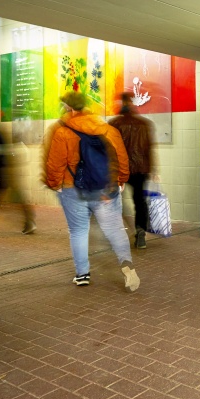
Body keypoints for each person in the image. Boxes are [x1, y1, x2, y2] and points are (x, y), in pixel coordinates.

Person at [44, 91, 139, 291]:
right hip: (105, 188)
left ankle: (82, 274)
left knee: (78, 231)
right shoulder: (106, 129)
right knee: (114, 229)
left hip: (73, 189)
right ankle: (127, 265)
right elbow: (121, 157)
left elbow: (55, 163)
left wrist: (55, 184)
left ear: (68, 107)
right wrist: (121, 179)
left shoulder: (61, 130)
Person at [108, 92, 158, 248]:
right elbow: (150, 148)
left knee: (114, 202)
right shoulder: (145, 124)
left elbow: (109, 149)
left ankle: (118, 235)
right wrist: (153, 169)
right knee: (139, 201)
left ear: (121, 103)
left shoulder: (114, 124)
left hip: (120, 170)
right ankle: (140, 230)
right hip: (141, 170)